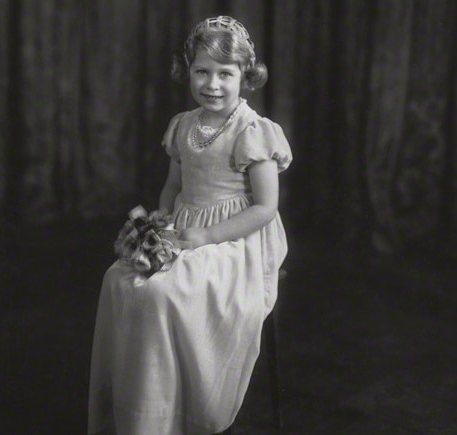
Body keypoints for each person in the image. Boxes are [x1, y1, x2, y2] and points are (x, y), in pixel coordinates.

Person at [88, 15, 293, 435]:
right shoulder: (184, 125)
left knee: (164, 292)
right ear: (188, 72)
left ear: (245, 76)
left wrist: (207, 237)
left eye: (225, 74)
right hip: (186, 226)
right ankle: (144, 408)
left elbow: (266, 208)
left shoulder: (253, 131)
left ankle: (183, 412)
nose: (212, 84)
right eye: (202, 72)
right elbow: (172, 188)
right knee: (119, 280)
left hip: (238, 237)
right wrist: (161, 227)